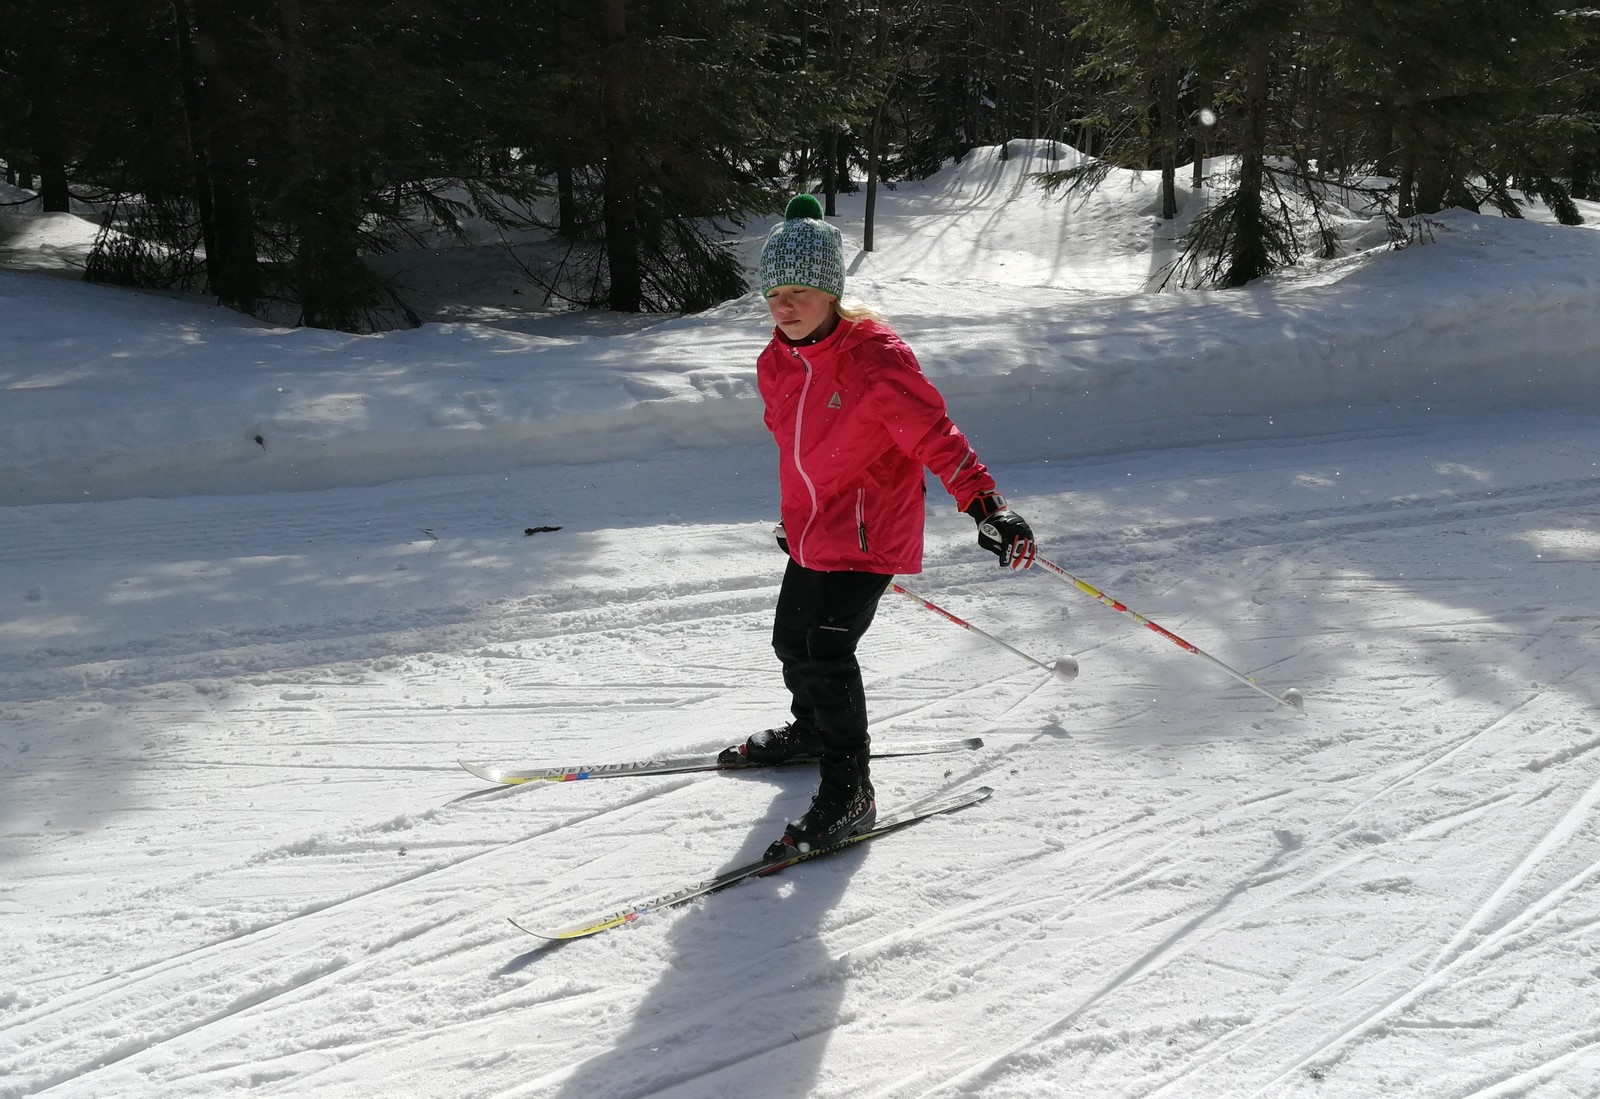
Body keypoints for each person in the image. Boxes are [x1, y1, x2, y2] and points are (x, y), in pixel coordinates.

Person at [720, 193, 1037, 860]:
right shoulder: (776, 362)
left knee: (827, 654)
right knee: (790, 640)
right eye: (774, 293)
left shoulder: (874, 358)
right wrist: (796, 519)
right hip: (814, 530)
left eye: (800, 291)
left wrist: (985, 504)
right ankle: (812, 731)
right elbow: (800, 453)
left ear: (832, 293)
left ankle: (850, 792)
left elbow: (935, 435)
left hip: (869, 531)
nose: (784, 305)